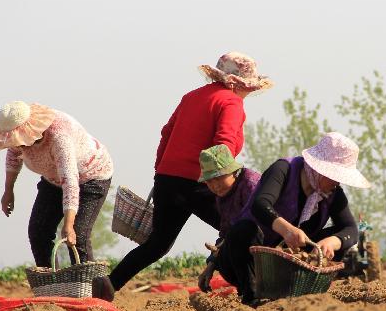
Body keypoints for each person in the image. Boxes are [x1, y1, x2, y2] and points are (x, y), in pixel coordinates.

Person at [105, 52, 273, 296]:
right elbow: (222, 145)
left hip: (168, 179)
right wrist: (223, 182)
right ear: (236, 83)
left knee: (157, 244)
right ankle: (254, 289)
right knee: (243, 229)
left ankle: (109, 285)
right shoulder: (231, 103)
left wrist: (160, 172)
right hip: (204, 181)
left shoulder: (191, 97)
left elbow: (166, 133)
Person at [217, 132, 370, 304]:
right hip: (245, 258)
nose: (338, 183)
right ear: (320, 169)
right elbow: (260, 204)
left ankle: (305, 291)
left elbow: (350, 230)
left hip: (286, 265)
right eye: (336, 177)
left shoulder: (333, 193)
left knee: (339, 236)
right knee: (245, 229)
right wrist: (287, 230)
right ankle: (252, 295)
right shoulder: (284, 170)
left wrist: (331, 242)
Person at [0, 101, 113, 282]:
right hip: (53, 180)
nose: (18, 145)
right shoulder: (18, 139)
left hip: (91, 177)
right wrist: (8, 190)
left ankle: (92, 290)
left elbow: (70, 181)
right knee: (38, 231)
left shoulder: (59, 137)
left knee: (78, 235)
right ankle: (54, 286)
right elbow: (13, 156)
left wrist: (68, 224)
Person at [195, 145, 261, 292]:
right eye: (209, 181)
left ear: (232, 171)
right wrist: (211, 266)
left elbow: (261, 224)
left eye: (218, 178)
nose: (215, 185)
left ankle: (253, 292)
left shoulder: (251, 184)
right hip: (245, 250)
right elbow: (225, 232)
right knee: (225, 255)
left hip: (266, 247)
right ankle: (247, 290)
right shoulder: (222, 196)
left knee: (240, 234)